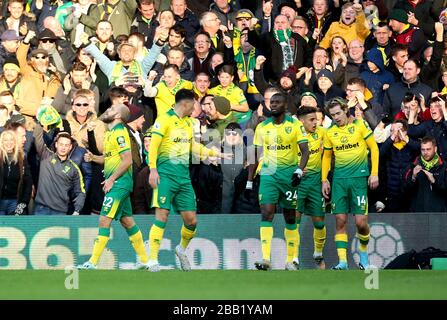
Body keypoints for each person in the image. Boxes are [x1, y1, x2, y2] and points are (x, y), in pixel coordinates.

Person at [147, 89, 230, 272]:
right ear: (186, 104)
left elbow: (192, 146)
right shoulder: (164, 120)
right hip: (166, 174)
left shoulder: (187, 123)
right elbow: (153, 147)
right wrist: (153, 169)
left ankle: (181, 249)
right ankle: (152, 260)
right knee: (162, 215)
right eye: (194, 104)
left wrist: (212, 152)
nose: (196, 108)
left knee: (191, 221)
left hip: (183, 177)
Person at [78, 103, 150, 269]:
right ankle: (145, 261)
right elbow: (108, 158)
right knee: (127, 222)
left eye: (111, 109)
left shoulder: (119, 133)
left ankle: (92, 262)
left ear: (118, 116)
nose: (107, 110)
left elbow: (127, 160)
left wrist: (112, 179)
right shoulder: (111, 133)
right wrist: (94, 158)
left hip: (119, 183)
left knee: (104, 220)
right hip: (118, 182)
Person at [246, 92, 309, 271]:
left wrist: (298, 170)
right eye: (271, 102)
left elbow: (305, 151)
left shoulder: (295, 125)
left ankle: (291, 260)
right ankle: (266, 259)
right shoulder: (262, 127)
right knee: (266, 213)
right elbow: (255, 155)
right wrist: (249, 182)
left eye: (277, 102)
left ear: (285, 105)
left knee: (290, 216)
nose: (272, 105)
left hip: (289, 175)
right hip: (268, 175)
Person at [321, 97, 379, 270]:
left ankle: (363, 256)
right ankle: (343, 262)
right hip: (339, 181)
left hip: (359, 179)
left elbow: (374, 148)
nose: (336, 117)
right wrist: (324, 179)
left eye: (338, 113)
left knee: (361, 222)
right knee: (340, 220)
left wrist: (374, 173)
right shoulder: (330, 132)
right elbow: (327, 157)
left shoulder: (360, 125)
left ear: (346, 110)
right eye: (332, 115)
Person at [33, 114, 86, 215]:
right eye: (61, 144)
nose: (63, 147)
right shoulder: (46, 155)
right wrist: (41, 121)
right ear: (56, 144)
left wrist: (77, 210)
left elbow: (80, 191)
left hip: (60, 212)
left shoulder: (73, 168)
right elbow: (37, 138)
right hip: (41, 208)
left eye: (66, 145)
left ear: (70, 147)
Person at [295, 106, 327, 269]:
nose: (316, 123)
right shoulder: (293, 134)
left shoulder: (321, 133)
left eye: (317, 119)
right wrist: (295, 166)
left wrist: (325, 178)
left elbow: (330, 154)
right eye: (311, 120)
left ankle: (318, 253)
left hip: (315, 181)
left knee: (319, 222)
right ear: (301, 121)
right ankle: (293, 258)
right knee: (294, 221)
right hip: (298, 183)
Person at [379, 120, 420, 212]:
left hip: (409, 193)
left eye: (397, 130)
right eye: (392, 130)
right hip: (392, 192)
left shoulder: (411, 144)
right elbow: (380, 153)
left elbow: (421, 149)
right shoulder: (388, 145)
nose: (394, 133)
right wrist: (393, 136)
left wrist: (406, 140)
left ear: (404, 132)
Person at [403, 136, 447, 212]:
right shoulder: (412, 166)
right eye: (423, 149)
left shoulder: (444, 166)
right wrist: (413, 177)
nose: (425, 152)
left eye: (428, 149)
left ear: (435, 149)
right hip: (418, 214)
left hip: (438, 214)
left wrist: (434, 181)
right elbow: (404, 191)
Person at [0, 129, 31, 215]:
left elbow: (28, 182)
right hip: (0, 202)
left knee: (11, 228)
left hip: (14, 202)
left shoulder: (22, 158)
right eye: (5, 140)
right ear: (2, 142)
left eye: (11, 140)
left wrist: (23, 203)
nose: (9, 142)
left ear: (15, 142)